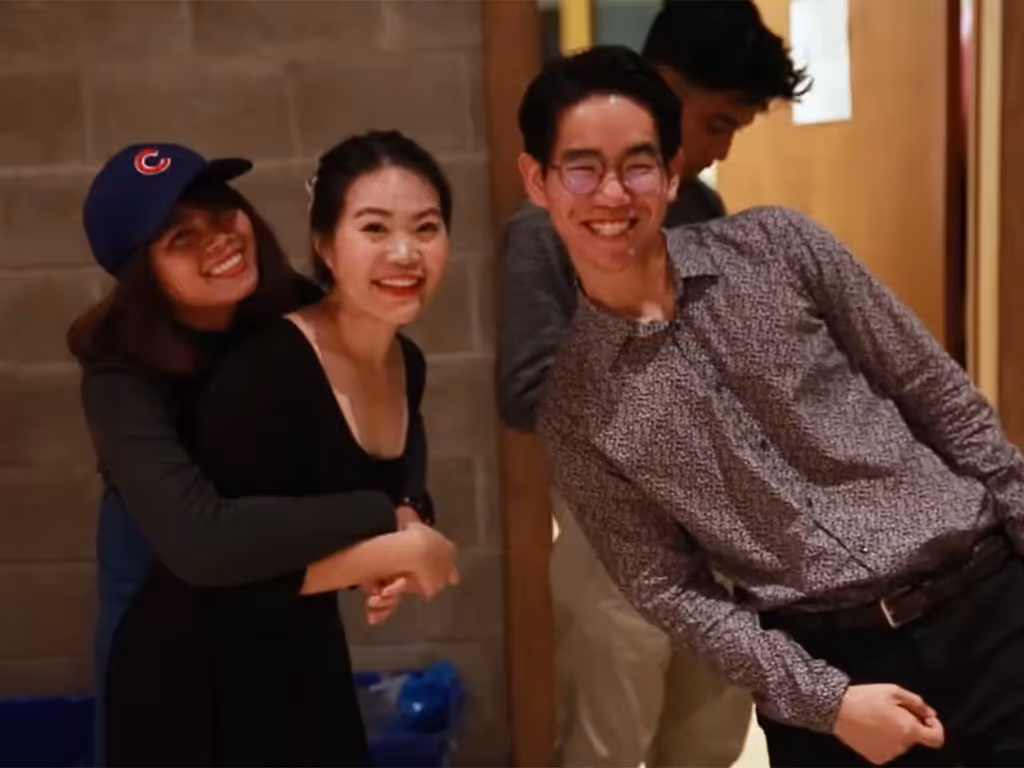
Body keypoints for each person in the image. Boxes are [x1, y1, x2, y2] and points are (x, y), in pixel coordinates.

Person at [518, 45, 1024, 767]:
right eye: (581, 167)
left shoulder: (780, 248)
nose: (610, 195)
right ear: (537, 179)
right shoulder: (576, 410)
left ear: (670, 170)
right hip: (833, 676)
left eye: (636, 163)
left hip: (990, 606)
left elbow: (939, 395)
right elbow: (672, 591)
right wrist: (828, 702)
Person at [69, 142, 457, 765]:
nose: (218, 239)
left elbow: (389, 412)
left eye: (223, 212)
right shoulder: (122, 375)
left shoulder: (294, 312)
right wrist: (383, 524)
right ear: (144, 273)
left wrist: (409, 508)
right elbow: (202, 541)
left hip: (293, 624)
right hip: (171, 620)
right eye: (180, 237)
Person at [497, 2, 808, 765]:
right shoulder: (547, 228)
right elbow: (526, 389)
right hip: (617, 545)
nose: (717, 149)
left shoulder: (699, 206)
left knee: (708, 743)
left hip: (727, 539)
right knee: (607, 748)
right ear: (663, 92)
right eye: (717, 123)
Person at [185, 130, 456, 765]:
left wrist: (403, 535)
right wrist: (393, 552)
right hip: (204, 674)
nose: (404, 252)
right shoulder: (268, 369)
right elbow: (219, 576)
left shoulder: (406, 360)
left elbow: (388, 492)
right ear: (324, 245)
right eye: (373, 228)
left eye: (426, 228)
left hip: (309, 656)